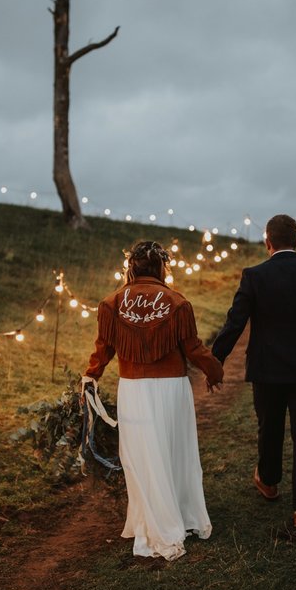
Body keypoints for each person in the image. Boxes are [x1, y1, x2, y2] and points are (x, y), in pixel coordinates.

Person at [83, 240, 224, 561]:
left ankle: (153, 518)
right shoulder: (178, 303)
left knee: (142, 456)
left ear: (130, 268)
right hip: (171, 388)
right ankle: (182, 515)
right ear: (162, 268)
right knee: (174, 450)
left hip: (134, 390)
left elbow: (103, 348)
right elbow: (193, 348)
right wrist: (213, 371)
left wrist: (90, 375)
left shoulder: (111, 303)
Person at [212, 214, 296, 529]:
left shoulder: (254, 276)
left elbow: (235, 322)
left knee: (269, 427)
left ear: (267, 242)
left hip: (266, 369)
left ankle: (269, 483)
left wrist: (215, 359)